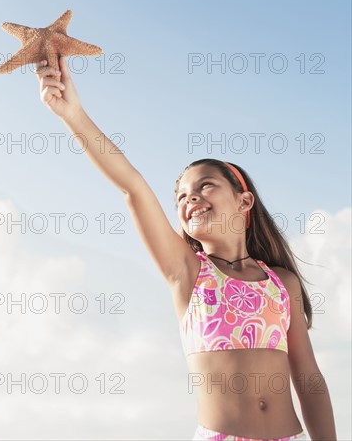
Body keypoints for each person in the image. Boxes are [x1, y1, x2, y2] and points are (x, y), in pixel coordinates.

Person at [34, 57, 337, 441]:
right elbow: (133, 187)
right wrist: (72, 113)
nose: (190, 198)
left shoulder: (282, 283)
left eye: (205, 185)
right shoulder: (188, 272)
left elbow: (309, 377)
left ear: (244, 202)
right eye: (181, 195)